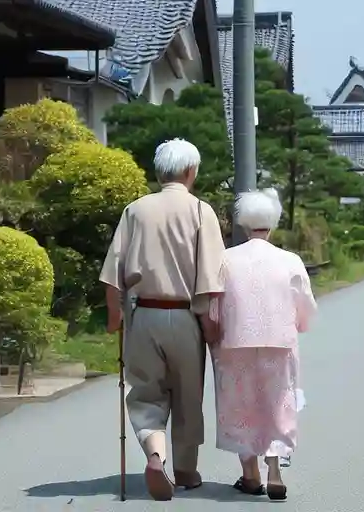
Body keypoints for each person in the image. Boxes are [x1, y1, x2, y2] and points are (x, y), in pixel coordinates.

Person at [100, 138, 225, 501]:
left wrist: (115, 317)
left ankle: (156, 454)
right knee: (188, 396)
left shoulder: (135, 211)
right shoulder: (202, 211)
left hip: (144, 315)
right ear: (191, 172)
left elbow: (113, 274)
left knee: (145, 393)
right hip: (186, 316)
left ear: (159, 172)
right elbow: (212, 278)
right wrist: (211, 323)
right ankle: (186, 470)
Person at [209, 188, 317, 501]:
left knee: (240, 406)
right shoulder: (289, 260)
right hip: (279, 342)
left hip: (235, 342)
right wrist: (300, 324)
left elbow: (215, 304)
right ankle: (275, 471)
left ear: (243, 224)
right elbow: (304, 305)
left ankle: (250, 473)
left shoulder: (226, 260)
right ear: (272, 223)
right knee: (278, 404)